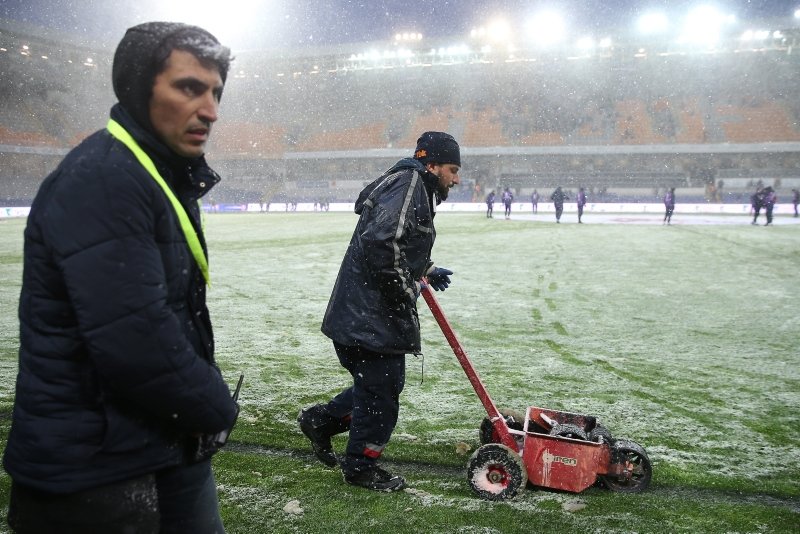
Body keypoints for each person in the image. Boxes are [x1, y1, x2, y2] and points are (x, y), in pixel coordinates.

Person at [3, 22, 240, 533]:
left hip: (155, 440)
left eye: (216, 92)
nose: (210, 110)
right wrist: (216, 406)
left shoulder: (156, 171)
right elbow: (135, 341)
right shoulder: (106, 179)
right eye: (189, 88)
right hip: (95, 465)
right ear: (138, 86)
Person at [298, 132, 461, 492]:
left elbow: (398, 242)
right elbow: (382, 242)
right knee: (381, 392)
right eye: (452, 169)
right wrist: (407, 289)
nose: (457, 178)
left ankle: (321, 422)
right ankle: (360, 467)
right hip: (368, 317)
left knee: (379, 386)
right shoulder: (409, 184)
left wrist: (426, 269)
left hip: (365, 314)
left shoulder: (414, 186)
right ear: (431, 164)